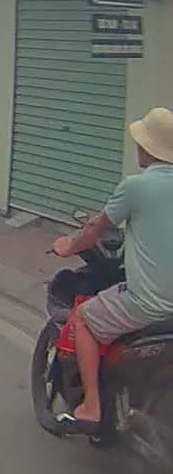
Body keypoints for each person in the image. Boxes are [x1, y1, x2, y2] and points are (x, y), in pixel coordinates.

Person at [51, 106, 173, 434]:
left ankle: (91, 406)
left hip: (149, 304)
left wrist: (68, 246)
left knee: (84, 319)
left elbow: (95, 229)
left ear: (147, 148)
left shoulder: (135, 186)